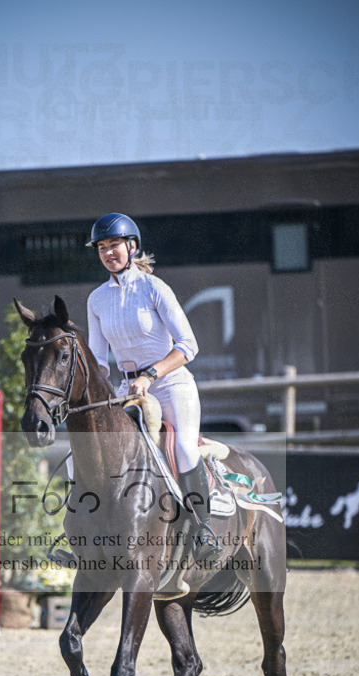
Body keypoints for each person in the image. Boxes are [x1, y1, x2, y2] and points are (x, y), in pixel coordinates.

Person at [86, 212, 222, 562]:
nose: (108, 252)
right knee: (89, 452)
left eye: (114, 244)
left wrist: (150, 374)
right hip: (127, 391)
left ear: (132, 246)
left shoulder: (154, 288)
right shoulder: (96, 300)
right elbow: (99, 360)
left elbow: (188, 345)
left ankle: (202, 531)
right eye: (101, 247)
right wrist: (96, 395)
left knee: (184, 451)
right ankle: (87, 535)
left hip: (170, 384)